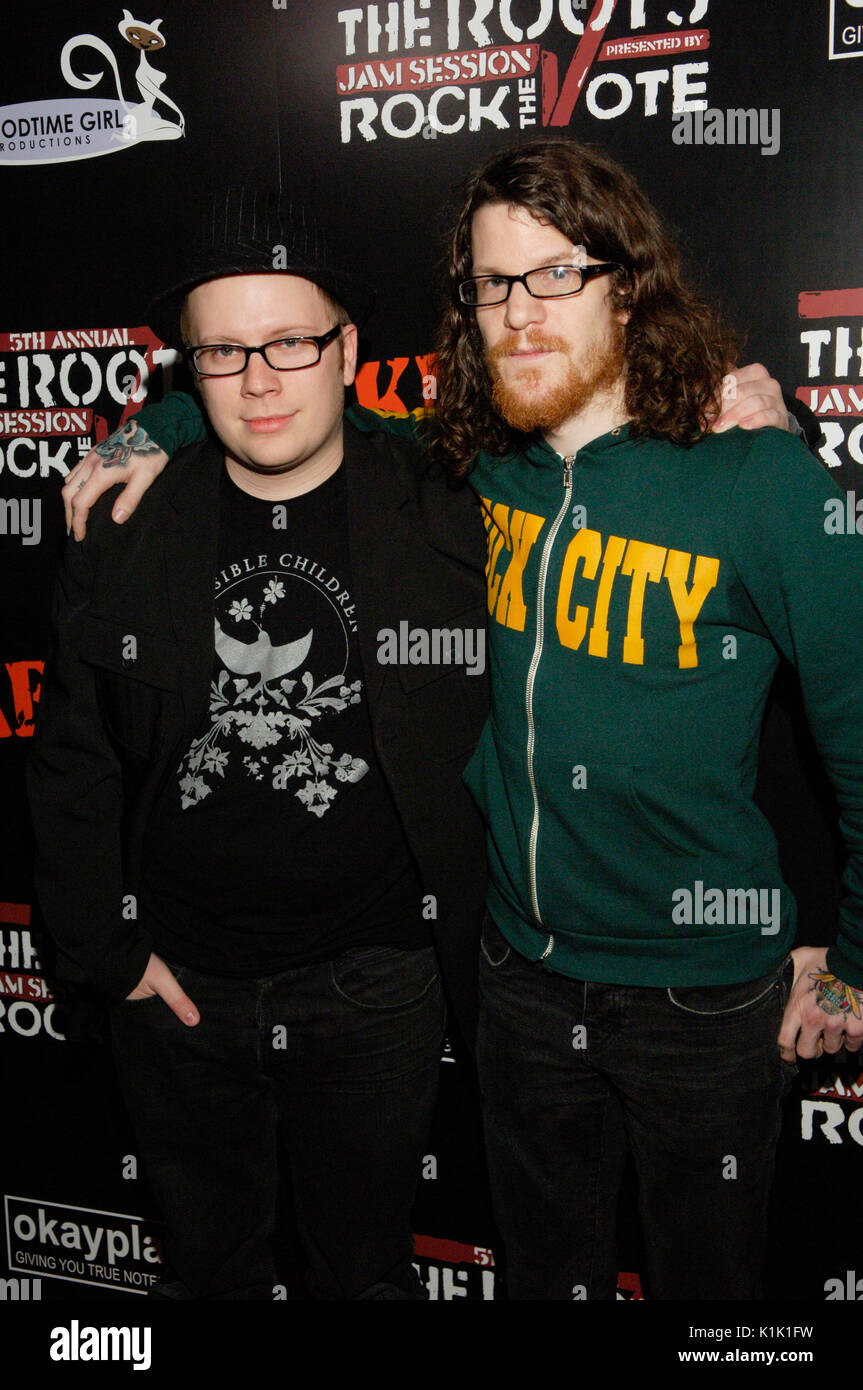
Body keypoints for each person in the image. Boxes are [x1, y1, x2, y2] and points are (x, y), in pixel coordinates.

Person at [59, 144, 844, 1303]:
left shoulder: (645, 479)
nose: (518, 313)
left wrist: (847, 950)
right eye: (491, 284)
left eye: (553, 276)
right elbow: (76, 749)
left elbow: (820, 712)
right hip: (391, 987)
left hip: (574, 994)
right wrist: (161, 421)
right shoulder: (429, 478)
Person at [27, 187, 490, 1300]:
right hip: (177, 991)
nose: (260, 379)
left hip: (376, 985)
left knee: (361, 1273)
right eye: (225, 352)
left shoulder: (451, 506)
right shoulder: (127, 526)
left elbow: (612, 452)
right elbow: (73, 755)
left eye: (290, 340)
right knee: (206, 1273)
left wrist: (752, 418)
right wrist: (110, 955)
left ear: (347, 350)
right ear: (190, 369)